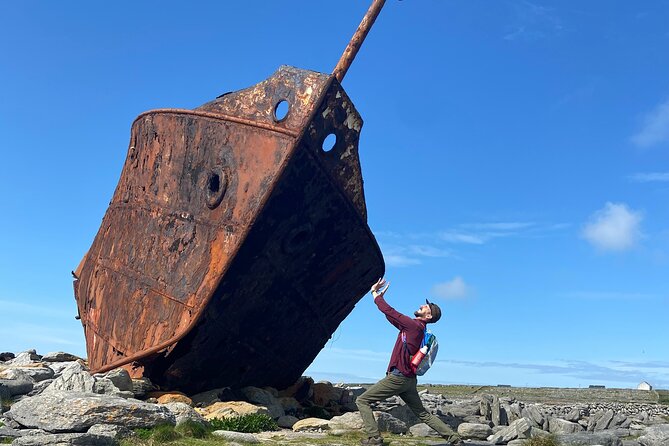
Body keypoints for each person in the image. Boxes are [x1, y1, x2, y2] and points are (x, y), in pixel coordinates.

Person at [356, 278, 464, 446]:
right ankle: (454, 438)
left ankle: (374, 438)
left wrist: (375, 294)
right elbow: (392, 317)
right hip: (409, 380)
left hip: (398, 378)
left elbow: (392, 312)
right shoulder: (417, 329)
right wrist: (379, 300)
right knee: (422, 414)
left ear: (428, 316)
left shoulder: (413, 326)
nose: (421, 305)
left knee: (362, 401)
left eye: (425, 307)